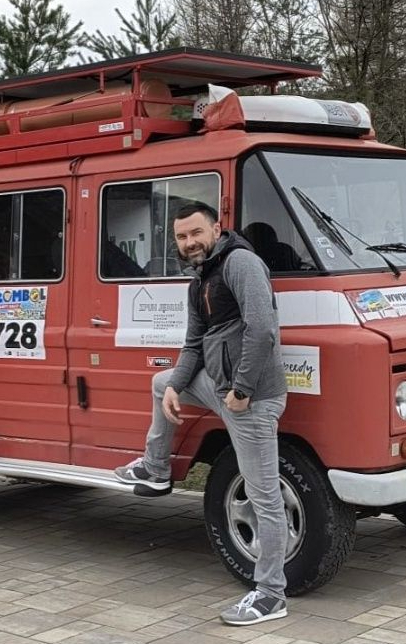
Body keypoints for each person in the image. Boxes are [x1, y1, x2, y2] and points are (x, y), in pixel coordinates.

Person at [113, 202, 289, 626]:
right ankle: (155, 469)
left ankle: (270, 594)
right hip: (220, 386)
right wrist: (177, 386)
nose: (189, 242)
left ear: (215, 228)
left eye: (196, 233)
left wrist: (244, 390)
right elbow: (194, 342)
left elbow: (262, 329)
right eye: (180, 236)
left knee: (264, 496)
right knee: (161, 383)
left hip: (252, 398)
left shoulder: (240, 263)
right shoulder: (200, 279)